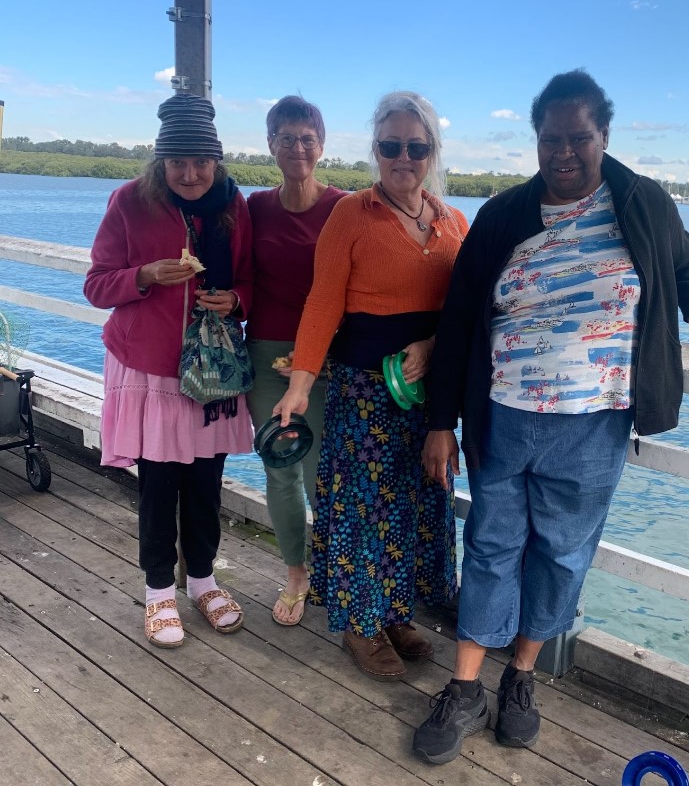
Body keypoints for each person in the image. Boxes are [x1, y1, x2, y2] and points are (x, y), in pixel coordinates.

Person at [412, 69, 689, 764]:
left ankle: (521, 678)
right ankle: (466, 684)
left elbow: (686, 262)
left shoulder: (643, 203)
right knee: (489, 546)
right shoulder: (503, 214)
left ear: (603, 136)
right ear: (533, 139)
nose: (563, 152)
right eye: (549, 139)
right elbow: (457, 317)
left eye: (578, 138)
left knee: (562, 555)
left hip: (595, 422)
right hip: (502, 412)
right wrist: (440, 420)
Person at [275, 91, 469, 680]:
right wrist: (300, 386)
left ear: (432, 151)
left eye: (416, 146)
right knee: (365, 509)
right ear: (376, 150)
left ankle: (395, 612)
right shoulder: (351, 215)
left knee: (413, 505)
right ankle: (362, 625)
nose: (403, 157)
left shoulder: (454, 221)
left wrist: (433, 349)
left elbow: (466, 311)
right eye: (390, 146)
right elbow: (322, 305)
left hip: (428, 396)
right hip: (364, 393)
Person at [84, 94, 254, 648]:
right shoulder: (129, 202)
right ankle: (159, 591)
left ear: (217, 161)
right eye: (177, 162)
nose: (190, 173)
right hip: (152, 371)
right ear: (160, 162)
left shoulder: (235, 206)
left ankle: (202, 579)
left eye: (200, 162)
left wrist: (237, 300)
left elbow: (252, 281)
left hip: (215, 371)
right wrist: (144, 275)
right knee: (158, 485)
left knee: (206, 481)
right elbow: (96, 285)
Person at [245, 96, 345, 626]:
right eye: (287, 137)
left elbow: (357, 288)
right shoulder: (254, 207)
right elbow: (237, 275)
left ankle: (333, 571)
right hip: (265, 356)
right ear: (271, 145)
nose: (298, 147)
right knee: (280, 469)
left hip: (325, 361)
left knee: (323, 473)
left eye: (308, 138)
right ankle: (296, 573)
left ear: (321, 145)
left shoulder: (344, 207)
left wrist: (325, 357)